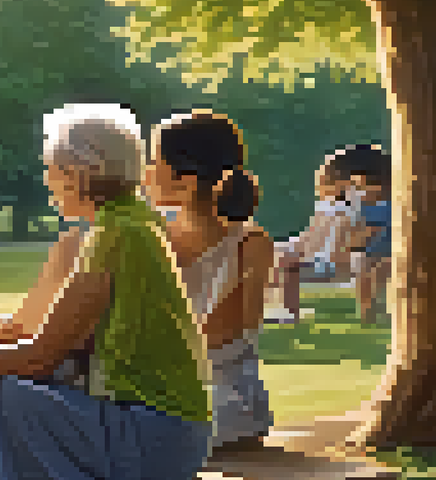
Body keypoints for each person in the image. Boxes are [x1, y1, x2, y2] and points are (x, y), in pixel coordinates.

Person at [0, 103, 213, 480]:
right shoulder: (138, 225)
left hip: (152, 439)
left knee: (6, 394)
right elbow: (71, 343)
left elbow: (40, 355)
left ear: (78, 172)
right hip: (172, 437)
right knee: (17, 389)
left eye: (52, 169)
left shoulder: (115, 234)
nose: (48, 180)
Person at [145, 109, 276, 452]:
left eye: (153, 163)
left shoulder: (249, 243)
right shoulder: (150, 237)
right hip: (164, 396)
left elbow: (238, 335)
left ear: (185, 180)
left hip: (224, 405)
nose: (144, 174)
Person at [270, 151, 358, 323]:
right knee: (274, 255)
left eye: (325, 180)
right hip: (322, 259)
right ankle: (275, 307)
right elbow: (309, 237)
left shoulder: (340, 209)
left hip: (326, 264)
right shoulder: (335, 207)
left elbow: (315, 241)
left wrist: (294, 251)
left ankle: (288, 312)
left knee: (284, 262)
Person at [336, 145, 393, 323]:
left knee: (377, 272)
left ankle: (375, 309)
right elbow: (362, 230)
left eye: (361, 186)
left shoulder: (388, 205)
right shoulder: (366, 206)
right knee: (365, 270)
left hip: (390, 251)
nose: (358, 192)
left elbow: (371, 230)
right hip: (372, 252)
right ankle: (367, 312)